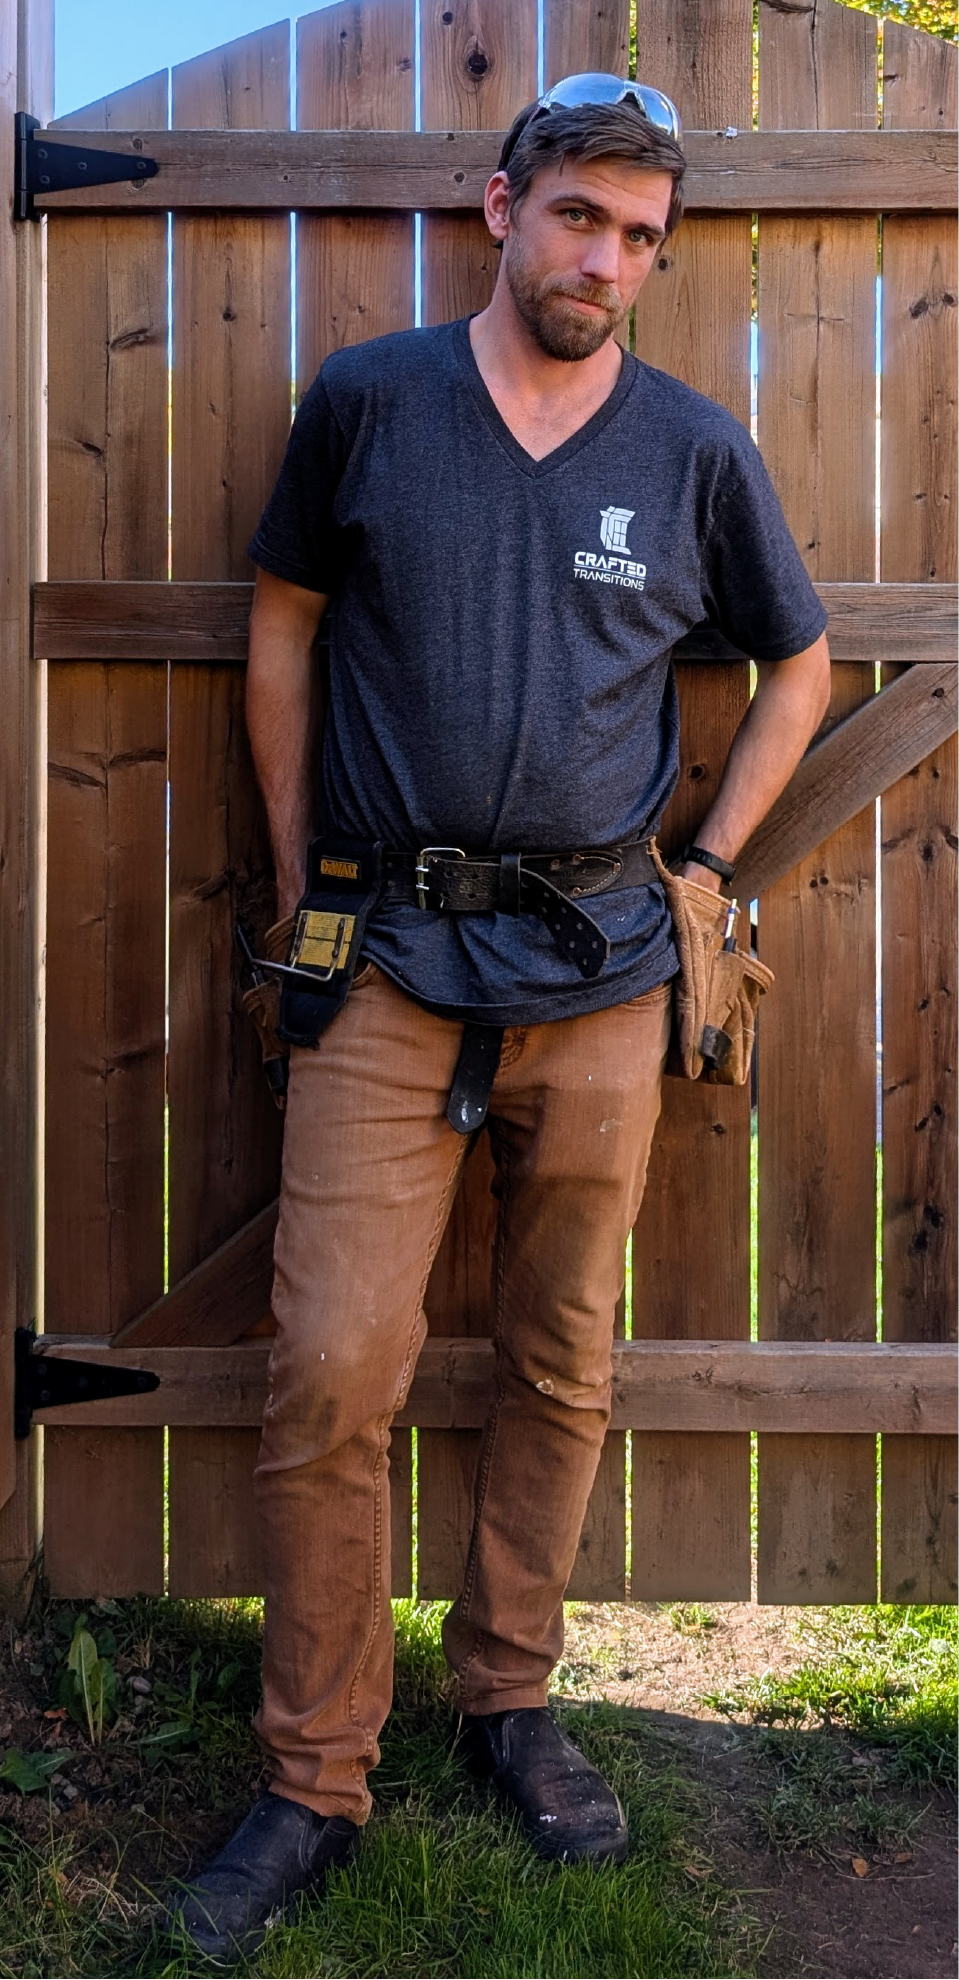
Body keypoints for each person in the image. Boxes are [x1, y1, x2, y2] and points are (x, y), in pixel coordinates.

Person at [170, 73, 831, 1962]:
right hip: (383, 967)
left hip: (606, 975)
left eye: (638, 238)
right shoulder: (373, 406)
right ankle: (312, 1776)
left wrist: (706, 867)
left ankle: (509, 1701)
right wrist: (302, 874)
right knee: (330, 1372)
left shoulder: (693, 450)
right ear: (498, 205)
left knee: (559, 1358)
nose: (604, 263)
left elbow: (792, 664)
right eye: (577, 221)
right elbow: (280, 619)